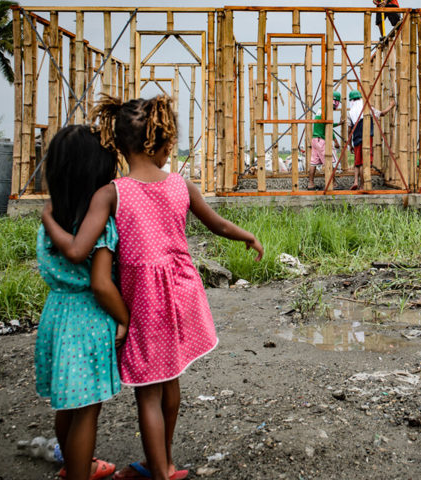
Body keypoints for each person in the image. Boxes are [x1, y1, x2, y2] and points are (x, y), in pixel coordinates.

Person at [42, 95, 264, 480]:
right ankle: (163, 463)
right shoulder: (181, 185)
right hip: (181, 292)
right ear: (159, 144)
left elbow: (79, 249)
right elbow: (218, 224)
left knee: (148, 390)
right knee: (171, 378)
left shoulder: (110, 193)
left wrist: (48, 219)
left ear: (124, 144)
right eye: (170, 144)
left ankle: (158, 470)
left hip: (143, 298)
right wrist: (248, 236)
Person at [36, 125, 128, 480]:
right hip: (86, 320)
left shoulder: (51, 220)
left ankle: (72, 466)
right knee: (87, 411)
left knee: (67, 403)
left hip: (56, 315)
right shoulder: (99, 226)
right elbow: (101, 285)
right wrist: (123, 318)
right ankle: (80, 470)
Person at [346, 89, 395, 190]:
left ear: (351, 100)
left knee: (357, 162)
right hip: (367, 138)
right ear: (360, 98)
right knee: (365, 162)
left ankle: (355, 181)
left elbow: (349, 130)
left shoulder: (350, 112)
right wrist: (391, 106)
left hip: (356, 139)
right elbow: (382, 113)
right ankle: (362, 185)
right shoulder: (366, 107)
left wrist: (350, 144)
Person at [308, 91, 341, 190]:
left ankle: (311, 184)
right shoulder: (328, 110)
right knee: (329, 162)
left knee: (313, 163)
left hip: (315, 139)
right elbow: (328, 127)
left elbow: (324, 124)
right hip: (322, 140)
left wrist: (338, 124)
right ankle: (333, 184)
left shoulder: (321, 108)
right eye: (337, 102)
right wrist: (335, 141)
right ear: (335, 101)